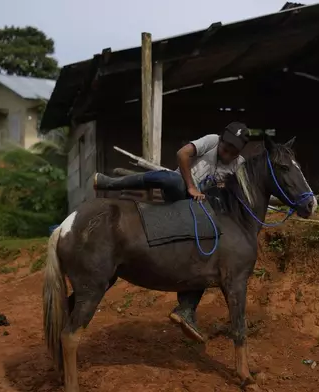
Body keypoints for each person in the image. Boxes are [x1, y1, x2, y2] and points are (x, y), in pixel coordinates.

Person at [92, 121, 251, 342]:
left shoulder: (238, 165)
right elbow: (182, 154)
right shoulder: (211, 141)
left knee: (208, 256)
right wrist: (191, 187)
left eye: (233, 151)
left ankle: (186, 309)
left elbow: (236, 193)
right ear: (221, 141)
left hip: (199, 207)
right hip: (179, 192)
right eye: (226, 147)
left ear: (239, 151)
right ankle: (111, 184)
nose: (227, 152)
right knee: (172, 179)